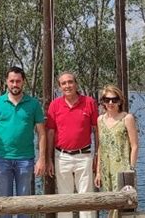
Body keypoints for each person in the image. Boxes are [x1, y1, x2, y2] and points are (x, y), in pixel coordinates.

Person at [0, 66, 46, 218]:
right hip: (2, 159)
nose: (14, 84)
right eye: (11, 81)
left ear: (23, 82)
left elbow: (42, 132)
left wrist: (42, 158)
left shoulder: (33, 104)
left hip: (25, 160)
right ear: (6, 82)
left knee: (23, 206)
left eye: (18, 81)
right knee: (4, 206)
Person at [46, 72, 98, 218]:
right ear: (59, 86)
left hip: (85, 156)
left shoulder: (89, 102)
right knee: (64, 200)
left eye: (70, 82)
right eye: (63, 83)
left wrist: (97, 156)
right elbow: (50, 132)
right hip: (62, 156)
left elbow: (96, 130)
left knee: (87, 199)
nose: (67, 86)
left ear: (76, 84)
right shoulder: (55, 105)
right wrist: (49, 159)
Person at [94, 85, 138, 217]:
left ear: (120, 101)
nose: (111, 103)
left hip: (122, 169)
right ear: (103, 102)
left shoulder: (127, 118)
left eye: (114, 99)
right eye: (107, 100)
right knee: (110, 204)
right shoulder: (100, 120)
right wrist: (98, 172)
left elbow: (134, 145)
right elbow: (101, 146)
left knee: (124, 204)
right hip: (106, 169)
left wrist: (130, 168)